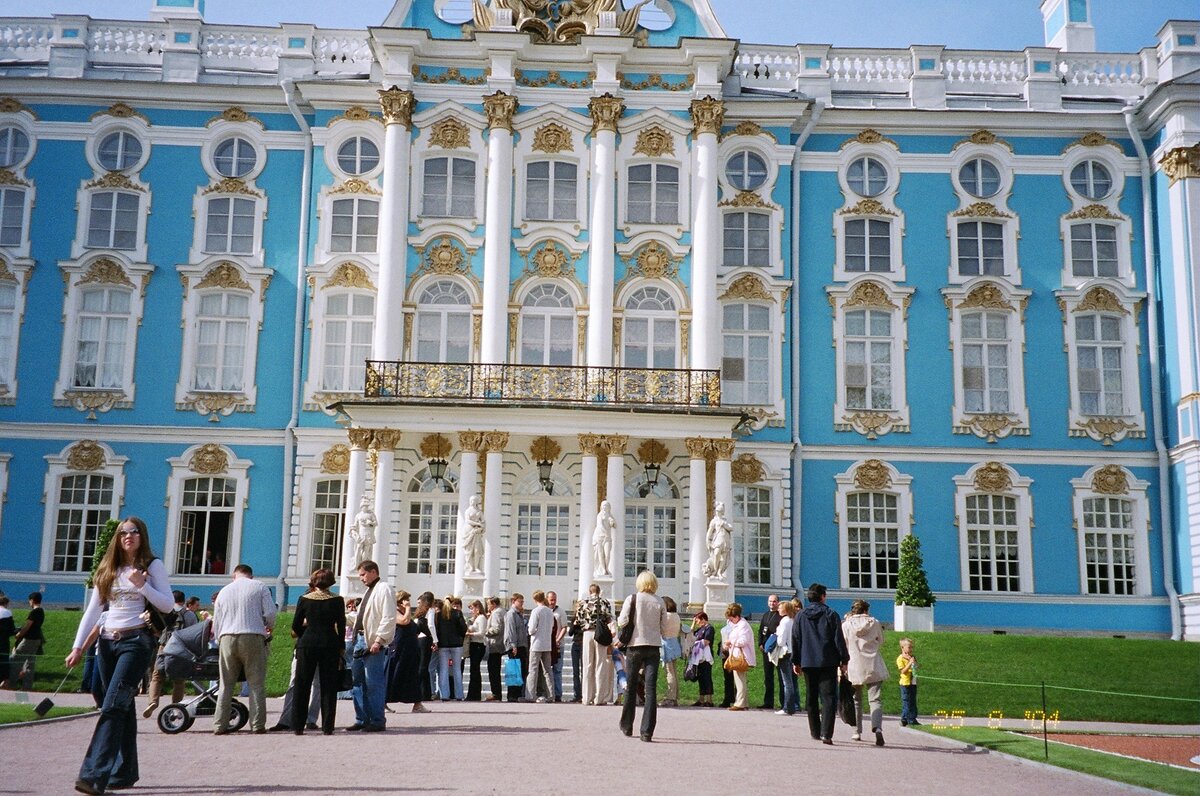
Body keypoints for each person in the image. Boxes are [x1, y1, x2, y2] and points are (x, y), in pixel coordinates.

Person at [66, 516, 175, 795]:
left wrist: (142, 585)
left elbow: (167, 604)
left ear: (143, 536)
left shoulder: (152, 566)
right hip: (106, 642)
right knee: (118, 706)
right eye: (123, 532)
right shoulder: (108, 568)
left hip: (136, 642)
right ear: (117, 537)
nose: (128, 536)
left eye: (134, 531)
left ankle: (93, 776)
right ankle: (125, 772)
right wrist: (78, 646)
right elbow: (94, 610)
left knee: (113, 706)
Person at [212, 564, 276, 735]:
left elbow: (216, 621)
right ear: (251, 576)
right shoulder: (260, 586)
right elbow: (270, 613)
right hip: (252, 635)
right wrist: (268, 627)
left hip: (227, 636)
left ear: (235, 576)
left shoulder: (224, 591)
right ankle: (257, 725)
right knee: (256, 683)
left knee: (225, 684)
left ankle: (220, 725)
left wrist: (219, 639)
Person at [791, 583, 849, 745]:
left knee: (811, 696)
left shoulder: (801, 616)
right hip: (828, 661)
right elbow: (839, 640)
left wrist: (796, 661)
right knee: (829, 698)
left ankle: (815, 731)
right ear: (823, 596)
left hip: (808, 661)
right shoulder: (831, 614)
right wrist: (844, 660)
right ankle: (826, 733)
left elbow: (795, 639)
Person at [290, 568, 345, 735]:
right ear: (331, 582)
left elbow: (295, 625)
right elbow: (341, 625)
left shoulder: (304, 599)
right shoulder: (337, 600)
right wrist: (340, 645)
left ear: (314, 581)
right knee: (328, 686)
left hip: (307, 644)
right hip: (329, 644)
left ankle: (298, 725)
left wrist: (304, 635)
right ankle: (328, 726)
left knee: (302, 684)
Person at [616, 571, 670, 742]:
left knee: (631, 687)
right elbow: (665, 628)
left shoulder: (632, 599)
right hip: (653, 647)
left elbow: (622, 621)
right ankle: (647, 731)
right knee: (650, 689)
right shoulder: (659, 601)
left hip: (635, 646)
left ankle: (626, 725)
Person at [347, 560, 396, 732]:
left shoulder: (384, 589)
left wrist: (380, 640)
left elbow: (389, 617)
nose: (361, 578)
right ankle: (362, 718)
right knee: (357, 682)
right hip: (360, 640)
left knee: (373, 682)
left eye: (363, 574)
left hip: (372, 641)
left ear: (373, 571)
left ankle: (377, 720)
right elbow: (363, 619)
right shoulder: (369, 591)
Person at [142, 589, 196, 718]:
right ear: (183, 601)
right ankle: (176, 706)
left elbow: (154, 626)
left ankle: (153, 702)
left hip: (164, 646)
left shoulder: (164, 612)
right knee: (179, 680)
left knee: (157, 676)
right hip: (181, 649)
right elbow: (193, 632)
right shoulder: (189, 615)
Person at [843, 599, 888, 746]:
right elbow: (881, 640)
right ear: (866, 610)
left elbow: (844, 644)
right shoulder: (874, 622)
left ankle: (857, 731)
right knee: (875, 700)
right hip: (873, 663)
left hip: (855, 664)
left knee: (856, 700)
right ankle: (877, 728)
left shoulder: (847, 624)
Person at [386, 591, 430, 714]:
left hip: (410, 649)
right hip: (399, 648)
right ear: (400, 601)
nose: (408, 602)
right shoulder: (394, 612)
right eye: (406, 600)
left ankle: (417, 704)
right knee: (394, 674)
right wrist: (408, 608)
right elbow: (404, 621)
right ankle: (383, 702)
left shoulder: (405, 612)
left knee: (412, 676)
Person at [577, 582, 613, 706]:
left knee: (588, 664)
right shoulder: (604, 602)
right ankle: (599, 698)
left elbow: (578, 619)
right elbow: (609, 618)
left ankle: (587, 697)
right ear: (599, 591)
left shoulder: (583, 603)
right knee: (600, 664)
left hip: (587, 633)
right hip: (600, 633)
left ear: (589, 591)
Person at [721, 603, 755, 711]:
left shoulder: (743, 625)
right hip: (736, 655)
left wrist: (731, 642)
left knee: (740, 680)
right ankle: (743, 702)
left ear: (736, 617)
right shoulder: (737, 625)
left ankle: (740, 703)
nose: (730, 621)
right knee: (740, 679)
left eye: (731, 619)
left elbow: (743, 641)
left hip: (741, 656)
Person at [434, 595, 468, 701]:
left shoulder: (438, 615)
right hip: (456, 644)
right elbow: (464, 628)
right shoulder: (458, 613)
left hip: (443, 644)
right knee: (457, 669)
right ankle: (459, 694)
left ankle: (444, 695)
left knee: (443, 669)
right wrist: (460, 637)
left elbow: (436, 629)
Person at [11, 591, 45, 690]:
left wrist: (19, 634)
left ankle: (11, 684)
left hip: (29, 640)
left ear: (32, 600)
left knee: (15, 659)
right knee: (30, 663)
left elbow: (27, 626)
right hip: (37, 640)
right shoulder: (41, 611)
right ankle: (26, 687)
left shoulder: (34, 612)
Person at [525, 591, 556, 702]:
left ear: (535, 600)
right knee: (548, 670)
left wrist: (531, 631)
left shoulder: (536, 611)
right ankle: (551, 695)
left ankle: (530, 695)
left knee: (533, 670)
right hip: (547, 643)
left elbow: (531, 629)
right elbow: (552, 626)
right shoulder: (550, 612)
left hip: (536, 644)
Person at [772, 599, 798, 716]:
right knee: (791, 681)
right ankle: (791, 706)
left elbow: (781, 641)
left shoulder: (784, 621)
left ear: (786, 609)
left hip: (785, 652)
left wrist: (775, 638)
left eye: (780, 607)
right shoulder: (793, 620)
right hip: (792, 652)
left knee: (786, 681)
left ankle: (787, 707)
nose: (778, 609)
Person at [503, 593, 530, 702]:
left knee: (521, 671)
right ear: (513, 601)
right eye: (520, 601)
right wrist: (513, 645)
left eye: (522, 601)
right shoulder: (511, 614)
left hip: (521, 646)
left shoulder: (519, 614)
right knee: (514, 671)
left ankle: (518, 693)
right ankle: (512, 695)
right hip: (515, 646)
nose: (522, 603)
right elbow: (511, 631)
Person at [758, 594, 782, 710]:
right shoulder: (765, 615)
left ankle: (783, 702)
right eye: (770, 601)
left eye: (774, 601)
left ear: (778, 603)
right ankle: (768, 701)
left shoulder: (780, 616)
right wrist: (760, 643)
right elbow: (761, 630)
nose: (772, 603)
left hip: (776, 649)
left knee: (781, 676)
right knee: (768, 676)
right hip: (765, 649)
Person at [659, 596, 682, 707]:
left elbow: (661, 629)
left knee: (669, 672)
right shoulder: (676, 616)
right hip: (674, 643)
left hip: (666, 644)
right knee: (674, 672)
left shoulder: (665, 617)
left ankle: (670, 697)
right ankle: (675, 696)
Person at [689, 611, 715, 707]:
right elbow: (691, 636)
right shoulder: (699, 629)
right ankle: (701, 699)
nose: (697, 623)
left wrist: (696, 643)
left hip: (705, 657)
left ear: (703, 619)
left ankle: (709, 699)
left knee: (707, 677)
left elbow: (707, 641)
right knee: (700, 677)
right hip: (698, 657)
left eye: (698, 620)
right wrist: (693, 624)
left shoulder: (709, 628)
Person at [414, 592, 435, 702]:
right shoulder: (430, 610)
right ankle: (421, 692)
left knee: (423, 666)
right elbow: (431, 625)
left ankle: (425, 692)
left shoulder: (420, 611)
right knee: (424, 666)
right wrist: (435, 640)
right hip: (426, 639)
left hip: (419, 639)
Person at [702, 501, 733, 579]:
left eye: (719, 511)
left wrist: (725, 525)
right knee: (716, 554)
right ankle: (715, 571)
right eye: (717, 511)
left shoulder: (725, 521)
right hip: (717, 539)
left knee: (723, 557)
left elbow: (731, 528)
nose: (718, 513)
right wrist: (707, 540)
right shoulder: (714, 521)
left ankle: (719, 572)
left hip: (725, 540)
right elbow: (710, 531)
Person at [483, 596, 505, 701]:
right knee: (495, 670)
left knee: (493, 670)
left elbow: (496, 629)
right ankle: (496, 693)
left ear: (494, 604)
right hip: (499, 644)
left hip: (494, 644)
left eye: (489, 604)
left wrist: (485, 632)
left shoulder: (496, 613)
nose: (487, 606)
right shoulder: (502, 611)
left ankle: (496, 694)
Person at [547, 591, 567, 702]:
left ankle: (558, 694)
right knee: (546, 670)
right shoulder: (544, 611)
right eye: (551, 599)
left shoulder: (560, 612)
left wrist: (558, 639)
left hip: (558, 645)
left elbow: (564, 627)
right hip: (546, 645)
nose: (553, 601)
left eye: (554, 599)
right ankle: (548, 693)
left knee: (557, 670)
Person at [465, 599, 486, 701]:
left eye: (472, 608)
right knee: (474, 669)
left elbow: (482, 632)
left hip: (478, 645)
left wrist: (470, 634)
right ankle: (474, 693)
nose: (471, 610)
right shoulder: (476, 618)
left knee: (475, 669)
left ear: (477, 608)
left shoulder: (481, 618)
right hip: (474, 645)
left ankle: (474, 694)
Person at [897, 637, 920, 727]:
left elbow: (917, 666)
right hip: (905, 683)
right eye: (909, 647)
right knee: (906, 701)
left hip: (913, 682)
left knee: (913, 701)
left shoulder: (912, 657)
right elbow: (903, 671)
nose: (911, 649)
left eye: (911, 647)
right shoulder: (900, 658)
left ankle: (912, 718)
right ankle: (904, 719)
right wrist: (910, 663)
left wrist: (915, 663)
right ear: (903, 648)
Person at [462, 495, 485, 575]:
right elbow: (467, 521)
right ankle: (470, 567)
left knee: (477, 550)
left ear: (476, 502)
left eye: (473, 500)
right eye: (471, 500)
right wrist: (477, 523)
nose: (472, 502)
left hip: (477, 533)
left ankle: (476, 567)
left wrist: (481, 527)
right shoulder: (467, 511)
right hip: (469, 531)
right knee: (469, 551)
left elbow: (483, 521)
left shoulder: (479, 511)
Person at [592, 501, 615, 577]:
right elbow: (600, 526)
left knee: (607, 554)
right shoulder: (599, 515)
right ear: (601, 507)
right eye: (604, 506)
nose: (605, 507)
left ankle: (607, 567)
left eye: (606, 506)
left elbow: (615, 526)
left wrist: (612, 522)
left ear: (609, 508)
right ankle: (603, 569)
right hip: (600, 537)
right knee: (600, 554)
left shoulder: (610, 516)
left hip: (607, 538)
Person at [567, 602, 584, 703]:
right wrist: (574, 624)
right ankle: (577, 694)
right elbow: (570, 633)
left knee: (583, 671)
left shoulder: (585, 620)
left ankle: (583, 693)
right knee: (575, 671)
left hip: (583, 644)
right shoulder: (574, 619)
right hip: (575, 645)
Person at [0, 593, 15, 689]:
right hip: (3, 642)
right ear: (6, 603)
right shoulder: (7, 612)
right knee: (4, 661)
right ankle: (4, 681)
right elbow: (11, 629)